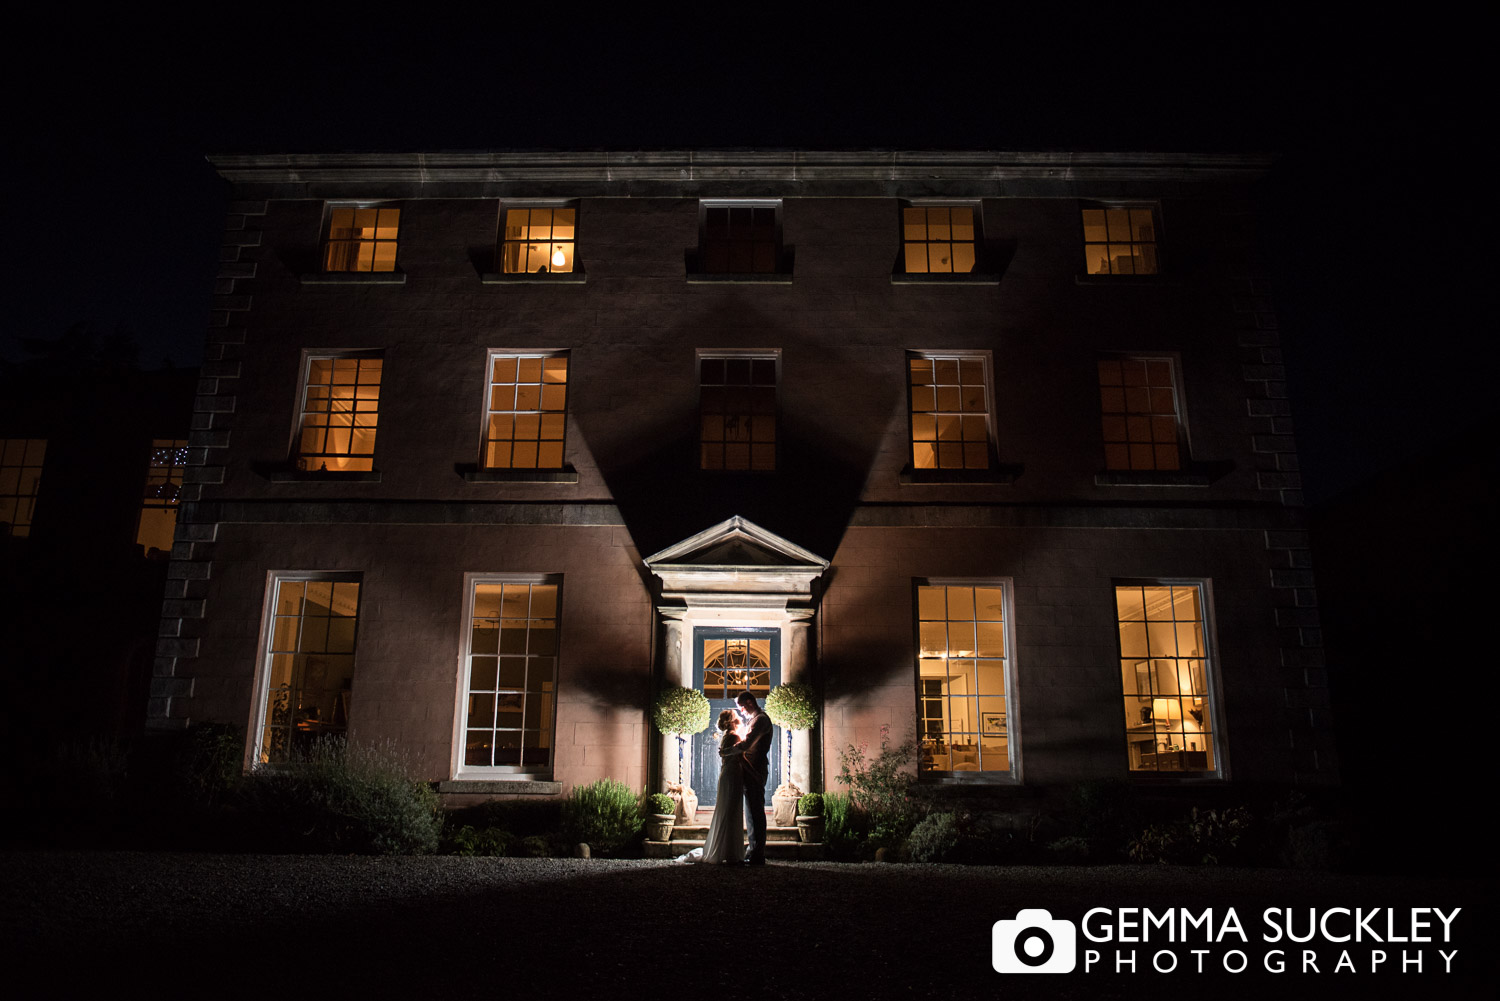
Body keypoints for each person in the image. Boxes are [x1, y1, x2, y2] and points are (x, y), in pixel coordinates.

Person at [677, 709, 745, 864]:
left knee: (726, 810)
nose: (740, 717)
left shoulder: (727, 736)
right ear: (732, 721)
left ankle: (725, 850)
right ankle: (731, 853)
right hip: (733, 774)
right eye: (736, 716)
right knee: (732, 811)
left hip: (728, 774)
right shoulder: (735, 736)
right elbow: (741, 756)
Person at [736, 690, 772, 865]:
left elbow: (748, 743)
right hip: (750, 769)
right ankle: (753, 850)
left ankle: (758, 853)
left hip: (755, 770)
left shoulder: (761, 720)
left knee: (756, 811)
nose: (741, 711)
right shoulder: (755, 720)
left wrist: (730, 748)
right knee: (751, 811)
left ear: (750, 702)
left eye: (742, 707)